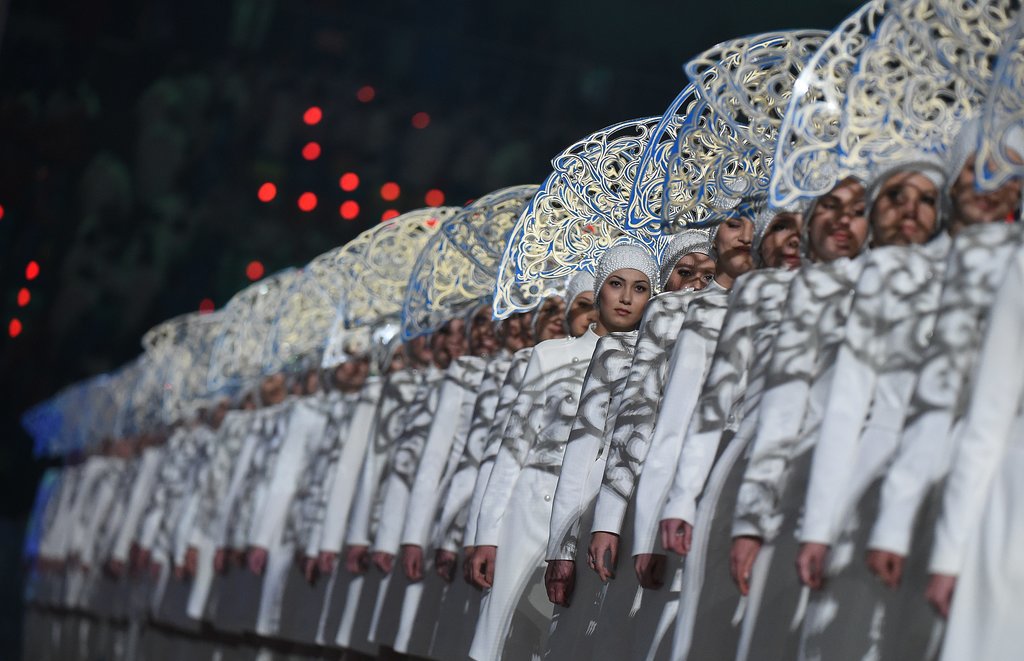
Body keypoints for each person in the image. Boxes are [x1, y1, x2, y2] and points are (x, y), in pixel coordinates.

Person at [469, 244, 658, 660]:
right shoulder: (550, 355)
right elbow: (513, 450)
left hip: (589, 520)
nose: (626, 298)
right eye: (616, 284)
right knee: (512, 641)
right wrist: (486, 535)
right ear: (599, 290)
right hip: (531, 518)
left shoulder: (650, 363)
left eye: (640, 287)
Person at [542, 229, 715, 660]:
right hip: (618, 507)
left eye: (707, 275)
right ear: (666, 282)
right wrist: (562, 549)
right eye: (684, 272)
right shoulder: (618, 350)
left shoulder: (726, 341)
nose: (695, 284)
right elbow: (582, 455)